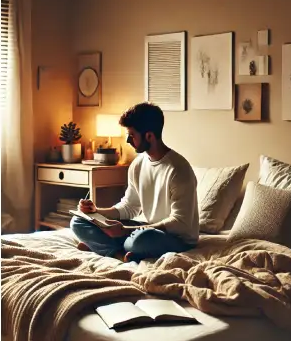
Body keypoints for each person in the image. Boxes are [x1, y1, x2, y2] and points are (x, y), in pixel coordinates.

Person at [71, 102, 199, 262]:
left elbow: (181, 223)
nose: (127, 140)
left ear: (149, 136)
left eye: (131, 135)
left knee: (141, 240)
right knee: (78, 221)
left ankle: (103, 247)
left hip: (175, 238)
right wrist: (96, 212)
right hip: (144, 226)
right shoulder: (138, 165)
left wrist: (125, 230)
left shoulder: (178, 170)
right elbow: (130, 207)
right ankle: (117, 252)